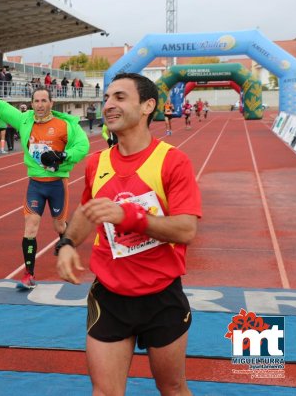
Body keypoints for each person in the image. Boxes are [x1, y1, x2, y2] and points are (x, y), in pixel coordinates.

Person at [55, 73, 201, 396]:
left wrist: (130, 217)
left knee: (173, 388)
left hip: (161, 296)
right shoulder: (97, 163)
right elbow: (85, 212)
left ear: (148, 106)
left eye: (119, 98)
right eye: (106, 98)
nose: (108, 105)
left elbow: (187, 229)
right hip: (109, 296)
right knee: (105, 392)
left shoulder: (172, 162)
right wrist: (66, 244)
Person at [0, 75, 89, 288]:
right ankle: (29, 274)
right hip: (35, 184)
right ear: (32, 103)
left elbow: (83, 146)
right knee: (30, 228)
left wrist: (63, 156)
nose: (40, 105)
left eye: (44, 101)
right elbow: (2, 108)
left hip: (57, 183)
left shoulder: (65, 125)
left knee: (59, 225)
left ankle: (65, 243)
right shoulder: (25, 120)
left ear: (51, 104)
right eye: (36, 101)